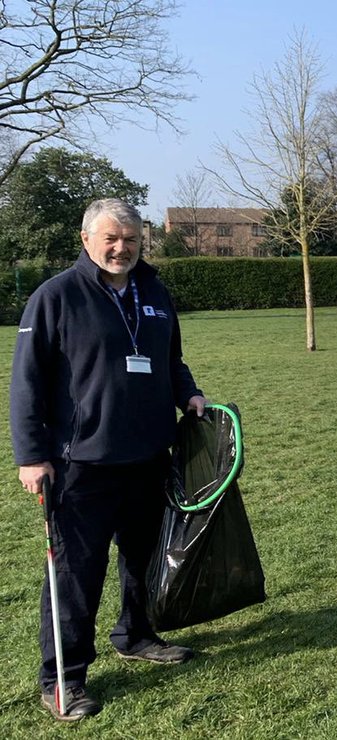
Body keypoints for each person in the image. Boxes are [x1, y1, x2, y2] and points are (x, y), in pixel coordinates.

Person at [9, 198, 207, 721]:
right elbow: (26, 382)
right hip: (81, 464)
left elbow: (171, 359)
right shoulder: (55, 296)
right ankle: (64, 678)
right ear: (86, 239)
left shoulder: (155, 292)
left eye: (132, 239)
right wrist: (31, 456)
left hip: (149, 456)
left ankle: (136, 635)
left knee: (143, 559)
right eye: (111, 238)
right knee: (76, 574)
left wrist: (188, 393)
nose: (122, 248)